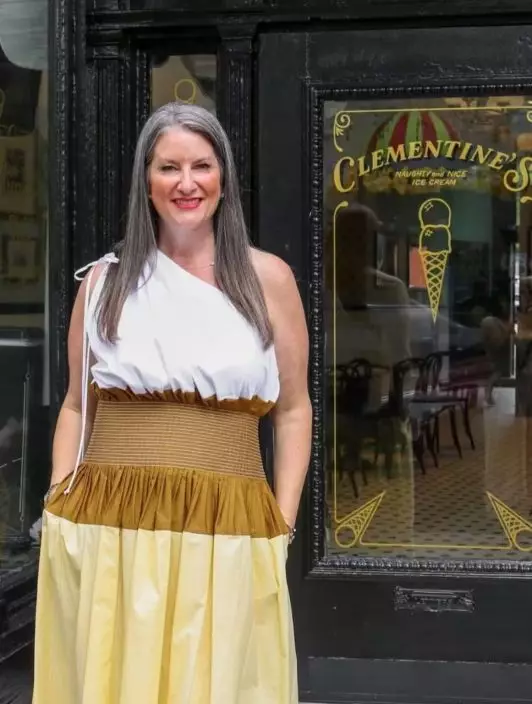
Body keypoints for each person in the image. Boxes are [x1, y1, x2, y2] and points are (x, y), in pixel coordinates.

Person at [33, 102, 312, 704]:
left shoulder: (269, 280)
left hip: (226, 520)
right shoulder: (104, 284)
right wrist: (58, 496)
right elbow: (78, 405)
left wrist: (283, 524)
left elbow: (293, 410)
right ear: (147, 181)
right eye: (169, 167)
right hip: (110, 523)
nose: (187, 183)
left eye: (201, 166)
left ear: (223, 178)